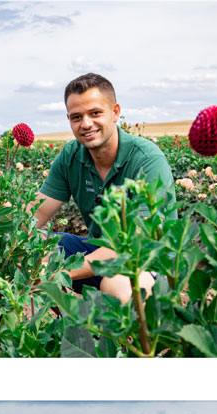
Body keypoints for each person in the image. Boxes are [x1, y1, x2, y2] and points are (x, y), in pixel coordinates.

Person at [28, 73, 175, 303]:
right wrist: (9, 240)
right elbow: (35, 214)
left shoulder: (146, 159)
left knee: (117, 285)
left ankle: (134, 336)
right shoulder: (71, 155)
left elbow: (136, 245)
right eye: (77, 117)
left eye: (95, 113)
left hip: (149, 262)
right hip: (98, 254)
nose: (86, 124)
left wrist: (61, 273)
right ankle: (72, 330)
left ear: (115, 113)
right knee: (36, 253)